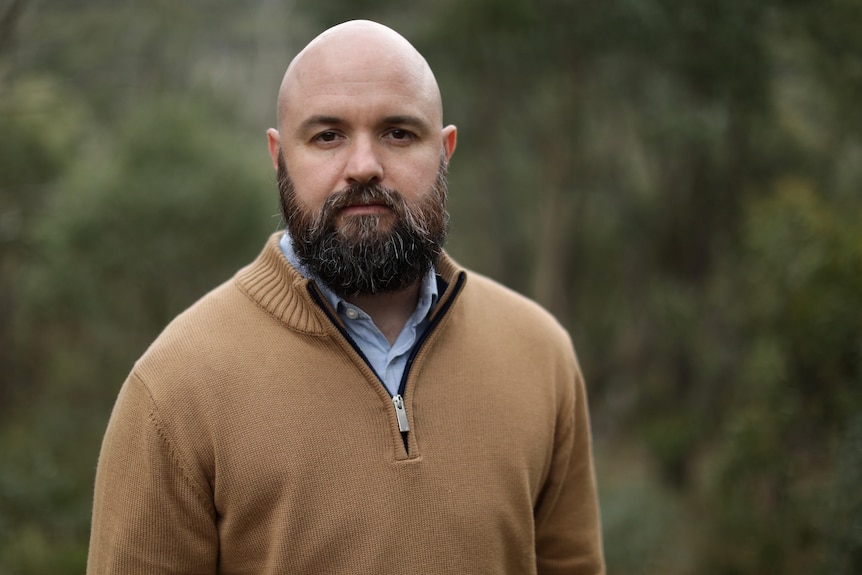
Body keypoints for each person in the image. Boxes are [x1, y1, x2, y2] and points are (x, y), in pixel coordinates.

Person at [87, 19, 605, 575]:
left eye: (398, 133)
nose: (363, 166)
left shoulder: (539, 354)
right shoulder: (173, 388)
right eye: (327, 136)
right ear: (280, 156)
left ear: (445, 151)